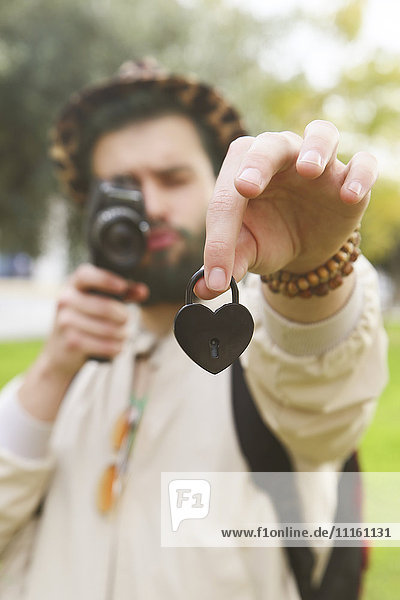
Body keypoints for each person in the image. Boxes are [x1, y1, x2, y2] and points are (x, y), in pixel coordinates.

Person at [0, 58, 388, 599]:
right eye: (122, 188)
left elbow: (323, 396)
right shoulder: (65, 372)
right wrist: (48, 377)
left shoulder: (265, 341)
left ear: (223, 184)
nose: (151, 207)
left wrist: (310, 273)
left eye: (173, 178)